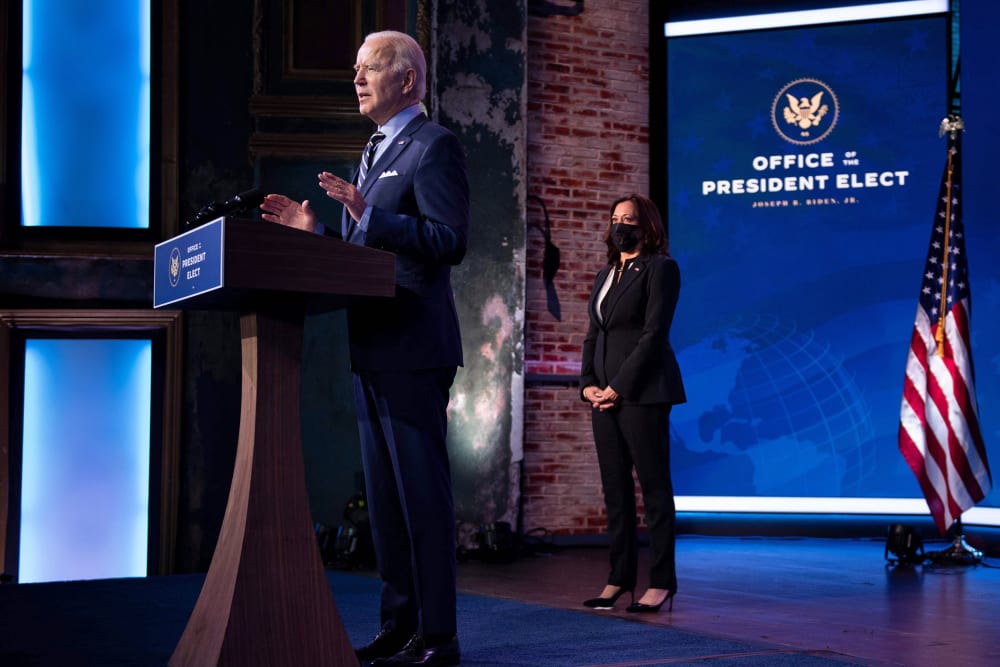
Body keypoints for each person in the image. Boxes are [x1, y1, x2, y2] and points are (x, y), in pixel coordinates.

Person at [259, 30, 469, 667]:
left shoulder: (433, 145)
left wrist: (367, 215)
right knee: (385, 504)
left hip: (413, 347)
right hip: (371, 345)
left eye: (369, 68)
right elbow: (365, 258)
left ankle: (438, 638)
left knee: (421, 499)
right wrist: (319, 232)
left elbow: (449, 240)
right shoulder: (374, 152)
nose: (356, 78)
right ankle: (399, 627)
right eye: (355, 68)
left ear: (407, 79)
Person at [579, 193, 686, 615]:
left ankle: (660, 583)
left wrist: (619, 387)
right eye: (614, 218)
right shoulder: (606, 273)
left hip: (643, 393)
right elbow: (594, 334)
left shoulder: (661, 268)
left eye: (628, 219)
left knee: (654, 488)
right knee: (615, 490)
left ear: (647, 227)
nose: (619, 225)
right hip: (603, 397)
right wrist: (588, 385)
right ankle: (619, 578)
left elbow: (653, 334)